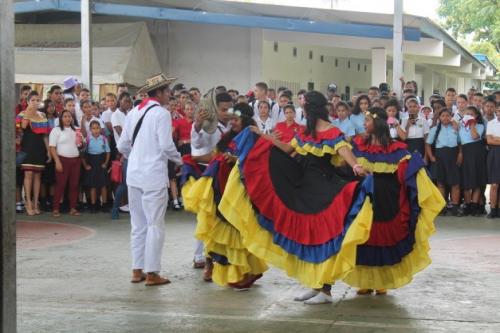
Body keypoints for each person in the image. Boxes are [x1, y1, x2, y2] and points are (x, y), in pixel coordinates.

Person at [218, 91, 370, 304]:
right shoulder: (306, 131)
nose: (303, 111)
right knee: (310, 238)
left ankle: (325, 290)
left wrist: (355, 165)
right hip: (304, 184)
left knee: (321, 235)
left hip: (323, 187)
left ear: (312, 108)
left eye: (305, 107)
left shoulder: (331, 130)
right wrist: (261, 136)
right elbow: (288, 149)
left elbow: (343, 149)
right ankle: (317, 285)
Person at [347, 107, 443, 296]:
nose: (364, 124)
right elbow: (347, 162)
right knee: (365, 236)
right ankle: (365, 281)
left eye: (367, 120)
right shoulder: (358, 144)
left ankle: (382, 281)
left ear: (377, 123)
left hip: (387, 198)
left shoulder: (395, 148)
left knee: (384, 237)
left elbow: (406, 170)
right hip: (365, 197)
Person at [183, 103, 268, 289]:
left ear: (245, 119)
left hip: (241, 191)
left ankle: (249, 271)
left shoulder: (253, 136)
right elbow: (215, 156)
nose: (233, 122)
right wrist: (195, 159)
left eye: (236, 119)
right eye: (232, 119)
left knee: (240, 230)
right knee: (218, 228)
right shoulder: (229, 136)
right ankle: (226, 268)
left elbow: (257, 161)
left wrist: (236, 160)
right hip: (222, 188)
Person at [117, 73, 181, 286]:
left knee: (138, 224)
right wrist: (179, 159)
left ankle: (137, 270)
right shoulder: (162, 114)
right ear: (160, 93)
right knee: (155, 224)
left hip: (134, 174)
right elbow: (166, 145)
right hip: (153, 175)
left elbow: (122, 146)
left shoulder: (134, 111)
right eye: (167, 91)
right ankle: (152, 273)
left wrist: (137, 157)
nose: (170, 95)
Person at [188, 91, 233, 276]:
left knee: (227, 220)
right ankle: (205, 260)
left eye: (230, 109)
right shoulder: (208, 126)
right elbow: (197, 144)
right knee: (206, 218)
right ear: (216, 109)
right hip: (210, 177)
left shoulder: (233, 124)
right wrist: (197, 124)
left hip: (229, 177)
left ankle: (224, 259)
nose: (227, 112)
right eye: (223, 109)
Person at [16, 91, 51, 215]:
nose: (35, 102)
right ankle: (28, 202)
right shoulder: (22, 114)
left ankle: (36, 202)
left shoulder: (42, 115)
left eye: (38, 100)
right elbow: (23, 127)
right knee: (28, 174)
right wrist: (29, 112)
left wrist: (48, 151)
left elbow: (45, 136)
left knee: (37, 176)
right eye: (33, 100)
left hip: (39, 148)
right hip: (27, 147)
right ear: (28, 101)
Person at [425, 109, 462, 216]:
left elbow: (460, 143)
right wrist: (431, 157)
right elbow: (428, 144)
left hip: (453, 155)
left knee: (455, 183)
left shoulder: (456, 128)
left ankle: (455, 207)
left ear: (451, 116)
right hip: (440, 156)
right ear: (439, 118)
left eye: (448, 115)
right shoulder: (434, 129)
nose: (445, 118)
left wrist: (460, 154)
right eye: (443, 116)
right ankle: (442, 207)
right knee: (441, 183)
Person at [49, 110, 84, 217]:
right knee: (61, 185)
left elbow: (82, 146)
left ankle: (72, 208)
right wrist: (57, 161)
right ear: (61, 118)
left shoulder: (76, 131)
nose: (68, 118)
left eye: (69, 116)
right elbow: (52, 147)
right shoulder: (56, 130)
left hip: (76, 160)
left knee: (74, 185)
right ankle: (55, 208)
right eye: (65, 116)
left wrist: (81, 141)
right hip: (62, 160)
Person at [458, 106, 487, 216]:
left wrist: (472, 124)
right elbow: (459, 142)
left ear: (476, 116)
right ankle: (468, 204)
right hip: (466, 152)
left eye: (472, 114)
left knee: (477, 180)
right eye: (467, 114)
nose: (469, 116)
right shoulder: (460, 126)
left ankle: (475, 205)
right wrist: (460, 153)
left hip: (477, 152)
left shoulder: (479, 125)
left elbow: (475, 136)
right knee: (466, 180)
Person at [111, 92, 133, 219]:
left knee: (134, 183)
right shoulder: (116, 115)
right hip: (122, 151)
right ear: (119, 101)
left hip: (134, 150)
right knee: (124, 182)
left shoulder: (130, 114)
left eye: (129, 101)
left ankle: (132, 207)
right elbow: (120, 132)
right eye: (125, 101)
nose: (127, 103)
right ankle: (115, 208)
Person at [82, 121, 111, 213]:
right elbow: (82, 154)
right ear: (90, 130)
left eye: (97, 128)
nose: (96, 130)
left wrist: (106, 163)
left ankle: (105, 204)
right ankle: (93, 205)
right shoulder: (87, 139)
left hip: (101, 162)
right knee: (93, 186)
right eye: (93, 128)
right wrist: (86, 165)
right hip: (92, 162)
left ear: (100, 129)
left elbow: (107, 152)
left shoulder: (103, 139)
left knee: (103, 185)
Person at [486, 103, 500, 218]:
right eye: (499, 111)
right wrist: (494, 139)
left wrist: (496, 138)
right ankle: (493, 209)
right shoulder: (491, 123)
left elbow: (493, 138)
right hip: (495, 154)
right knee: (494, 184)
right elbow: (489, 141)